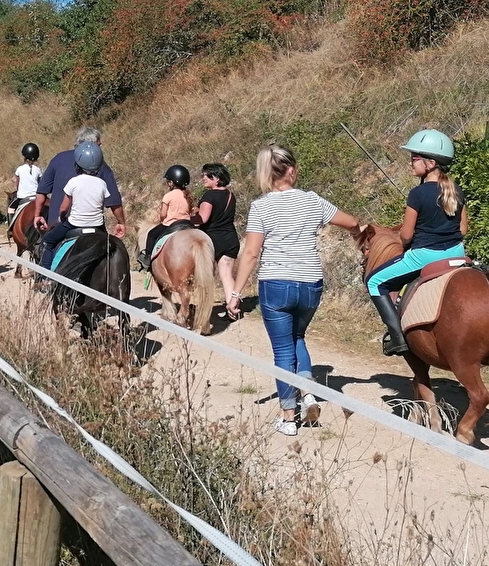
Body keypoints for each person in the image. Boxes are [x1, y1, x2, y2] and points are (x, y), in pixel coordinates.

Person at [233, 144, 362, 436]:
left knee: (282, 350)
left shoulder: (261, 206)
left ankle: (289, 417)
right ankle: (308, 395)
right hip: (310, 283)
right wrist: (358, 235)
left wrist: (235, 292)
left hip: (276, 283)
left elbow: (252, 253)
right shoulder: (313, 201)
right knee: (298, 337)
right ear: (291, 170)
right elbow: (352, 222)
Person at [364, 130, 469, 357]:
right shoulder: (456, 190)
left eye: (414, 158)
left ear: (430, 163)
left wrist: (405, 238)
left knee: (373, 281)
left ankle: (397, 338)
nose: (411, 162)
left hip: (425, 255)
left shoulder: (417, 193)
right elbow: (463, 229)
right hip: (457, 253)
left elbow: (406, 236)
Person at [33, 127, 126, 268]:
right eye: (99, 146)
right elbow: (114, 202)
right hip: (95, 225)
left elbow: (42, 192)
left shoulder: (58, 159)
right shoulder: (102, 168)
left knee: (48, 242)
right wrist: (121, 222)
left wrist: (38, 215)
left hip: (66, 224)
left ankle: (46, 278)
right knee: (111, 250)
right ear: (92, 145)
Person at [37, 141, 110, 253]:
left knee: (48, 241)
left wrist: (61, 218)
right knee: (109, 246)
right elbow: (101, 206)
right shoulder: (102, 183)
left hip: (74, 224)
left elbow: (63, 208)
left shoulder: (73, 182)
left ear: (77, 164)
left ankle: (46, 270)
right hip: (98, 226)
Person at [191, 163, 242, 318]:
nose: (202, 179)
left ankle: (204, 312)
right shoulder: (230, 194)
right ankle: (233, 309)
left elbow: (202, 219)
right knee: (226, 275)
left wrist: (186, 218)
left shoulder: (209, 196)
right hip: (230, 238)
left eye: (206, 176)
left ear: (216, 178)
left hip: (212, 240)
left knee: (205, 278)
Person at [141, 165, 193, 269]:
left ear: (171, 182)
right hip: (187, 224)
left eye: (168, 181)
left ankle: (148, 258)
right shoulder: (187, 195)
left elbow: (163, 215)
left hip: (171, 225)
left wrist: (161, 218)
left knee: (152, 234)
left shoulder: (168, 196)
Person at [9, 142, 42, 213]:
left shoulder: (19, 169)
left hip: (23, 197)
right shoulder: (38, 170)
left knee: (10, 209)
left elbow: (17, 185)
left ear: (24, 156)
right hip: (36, 197)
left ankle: (11, 224)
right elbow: (40, 184)